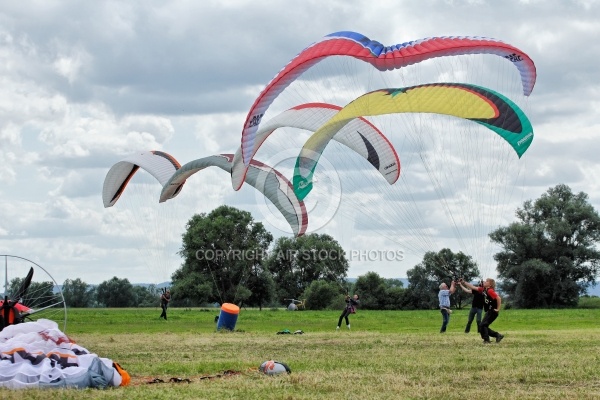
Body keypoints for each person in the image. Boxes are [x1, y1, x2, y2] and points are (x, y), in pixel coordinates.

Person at [461, 278, 504, 344]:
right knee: (483, 325)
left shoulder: (490, 291)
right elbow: (472, 287)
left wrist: (498, 309)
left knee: (483, 325)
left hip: (493, 311)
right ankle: (497, 335)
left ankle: (487, 340)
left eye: (487, 281)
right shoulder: (483, 289)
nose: (484, 281)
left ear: (490, 284)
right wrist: (464, 282)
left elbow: (498, 298)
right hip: (489, 311)